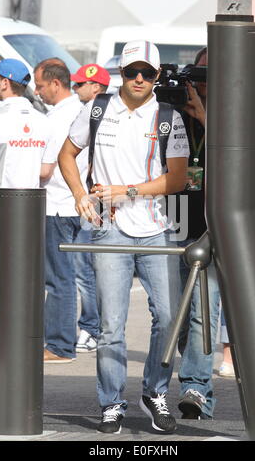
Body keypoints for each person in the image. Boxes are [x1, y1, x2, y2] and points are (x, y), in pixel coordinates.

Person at [58, 40, 189, 434]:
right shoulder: (97, 108)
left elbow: (178, 179)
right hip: (108, 227)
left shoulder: (169, 117)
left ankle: (155, 390)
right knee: (111, 325)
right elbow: (67, 154)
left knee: (168, 317)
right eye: (132, 71)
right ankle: (112, 401)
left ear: (157, 76)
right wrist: (81, 195)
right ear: (120, 73)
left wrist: (127, 191)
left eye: (146, 73)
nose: (138, 78)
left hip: (159, 228)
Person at [0, 58, 56, 366]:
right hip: (27, 209)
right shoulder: (44, 119)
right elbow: (45, 170)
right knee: (20, 279)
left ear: (4, 82)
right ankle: (16, 342)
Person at [34, 58, 101, 362]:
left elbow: (45, 169)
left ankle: (60, 344)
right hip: (78, 203)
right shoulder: (83, 109)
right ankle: (73, 337)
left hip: (60, 205)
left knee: (59, 278)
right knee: (77, 275)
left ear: (55, 83)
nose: (37, 92)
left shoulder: (57, 118)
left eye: (40, 85)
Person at [176, 47, 221, 420]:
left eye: (211, 74)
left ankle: (196, 387)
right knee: (173, 313)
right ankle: (190, 368)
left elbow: (237, 153)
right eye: (199, 73)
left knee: (202, 311)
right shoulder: (171, 109)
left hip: (212, 223)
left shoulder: (232, 109)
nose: (203, 82)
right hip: (173, 216)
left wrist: (205, 118)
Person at [69, 63, 110, 352]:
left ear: (96, 86)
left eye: (80, 84)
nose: (76, 88)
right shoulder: (90, 112)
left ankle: (92, 329)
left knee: (87, 271)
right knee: (86, 270)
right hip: (89, 201)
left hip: (95, 203)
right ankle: (94, 328)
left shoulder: (99, 111)